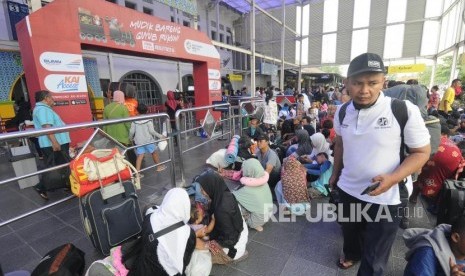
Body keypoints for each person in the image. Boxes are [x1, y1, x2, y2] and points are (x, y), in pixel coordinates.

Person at [329, 53, 431, 274]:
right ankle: (353, 253)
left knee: (375, 258)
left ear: (383, 81)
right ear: (346, 83)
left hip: (387, 197)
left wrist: (393, 178)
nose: (364, 90)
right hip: (349, 189)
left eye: (372, 83)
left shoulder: (402, 110)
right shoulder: (342, 111)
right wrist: (335, 174)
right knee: (350, 232)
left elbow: (422, 152)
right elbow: (340, 144)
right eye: (357, 83)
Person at [121, 188, 212, 276]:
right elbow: (184, 261)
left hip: (141, 269)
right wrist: (196, 235)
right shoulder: (187, 232)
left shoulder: (150, 217)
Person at [409, 123, 465, 211]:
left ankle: (414, 196)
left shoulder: (433, 139)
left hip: (436, 155)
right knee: (441, 182)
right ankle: (434, 203)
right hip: (455, 159)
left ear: (441, 133)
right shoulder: (452, 144)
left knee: (420, 176)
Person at [196, 171, 249, 262]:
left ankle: (229, 258)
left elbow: (230, 239)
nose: (201, 192)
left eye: (202, 189)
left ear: (211, 186)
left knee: (195, 254)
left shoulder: (222, 209)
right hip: (239, 238)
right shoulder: (224, 194)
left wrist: (208, 244)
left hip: (232, 251)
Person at [32, 90, 71, 200]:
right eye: (51, 97)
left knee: (63, 165)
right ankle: (41, 187)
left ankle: (68, 185)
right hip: (53, 144)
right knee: (54, 166)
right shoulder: (43, 110)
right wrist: (55, 142)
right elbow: (47, 127)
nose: (53, 99)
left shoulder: (43, 109)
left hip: (55, 143)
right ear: (46, 98)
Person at [232, 159, 273, 232]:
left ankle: (253, 224)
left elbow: (232, 195)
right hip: (268, 214)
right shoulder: (264, 183)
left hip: (256, 220)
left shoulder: (247, 189)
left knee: (234, 205)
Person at [129, 103, 167, 177]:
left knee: (140, 156)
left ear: (137, 111)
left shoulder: (134, 121)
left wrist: (130, 138)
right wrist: (161, 136)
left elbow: (131, 131)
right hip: (148, 140)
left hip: (139, 141)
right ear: (146, 111)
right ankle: (159, 166)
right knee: (154, 153)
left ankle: (137, 173)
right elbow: (152, 131)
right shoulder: (148, 120)